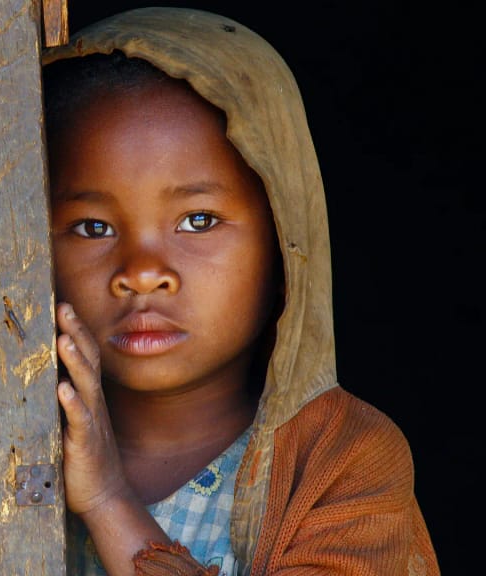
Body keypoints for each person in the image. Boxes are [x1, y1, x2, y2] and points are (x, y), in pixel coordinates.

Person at [42, 7, 439, 575]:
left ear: (285, 241)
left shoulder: (341, 458)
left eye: (198, 221)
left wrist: (107, 500)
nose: (143, 271)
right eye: (93, 228)